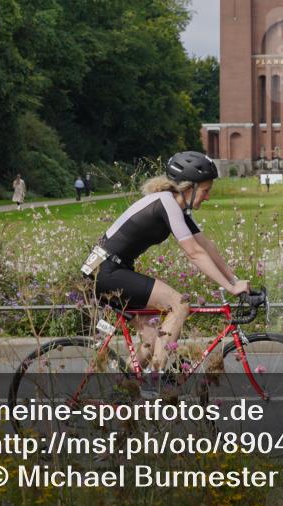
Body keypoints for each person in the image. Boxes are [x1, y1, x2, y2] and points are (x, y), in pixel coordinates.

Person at [82, 151, 249, 371]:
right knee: (179, 305)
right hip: (106, 272)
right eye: (206, 191)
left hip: (108, 270)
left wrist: (235, 281)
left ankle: (125, 391)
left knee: (152, 339)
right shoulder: (165, 203)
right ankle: (157, 379)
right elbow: (194, 253)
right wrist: (230, 287)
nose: (208, 197)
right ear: (189, 188)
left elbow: (207, 247)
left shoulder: (174, 207)